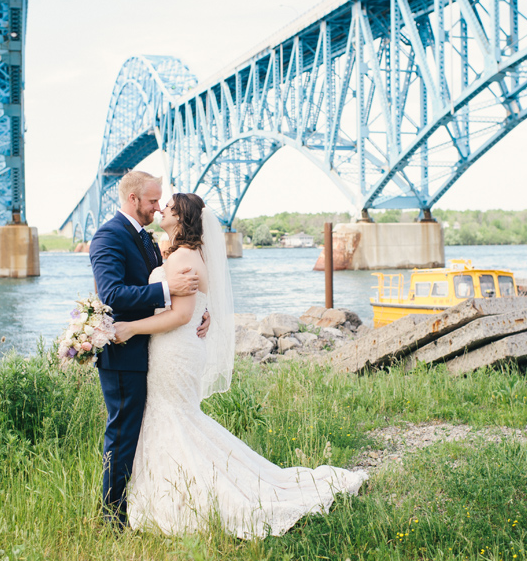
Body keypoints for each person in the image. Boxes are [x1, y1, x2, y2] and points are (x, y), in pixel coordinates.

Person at [112, 192, 367, 539]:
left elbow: (181, 315)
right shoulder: (179, 252)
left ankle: (188, 497)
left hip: (174, 350)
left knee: (174, 418)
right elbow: (190, 306)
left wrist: (130, 327)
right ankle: (170, 492)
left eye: (167, 207)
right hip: (174, 349)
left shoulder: (184, 257)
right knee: (177, 419)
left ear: (181, 218)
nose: (160, 209)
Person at [89, 170, 209, 529]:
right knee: (123, 435)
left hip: (152, 351)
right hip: (123, 354)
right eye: (154, 201)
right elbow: (111, 294)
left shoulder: (146, 239)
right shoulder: (109, 236)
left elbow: (187, 287)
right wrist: (166, 290)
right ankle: (111, 518)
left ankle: (156, 503)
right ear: (133, 200)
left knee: (146, 434)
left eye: (162, 203)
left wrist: (202, 312)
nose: (158, 208)